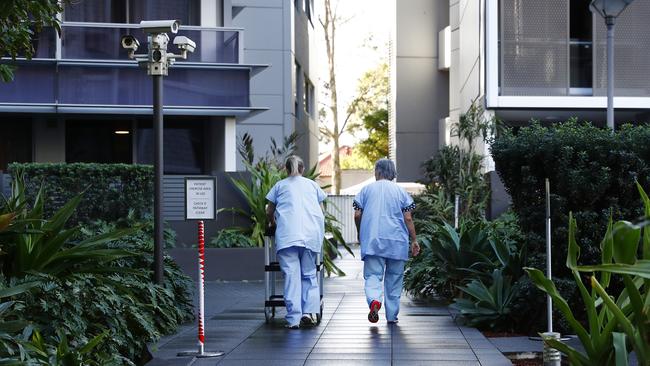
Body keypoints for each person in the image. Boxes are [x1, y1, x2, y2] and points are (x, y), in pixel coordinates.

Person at [353, 158, 420, 324]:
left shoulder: (366, 190)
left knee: (373, 276)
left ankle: (375, 300)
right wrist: (414, 240)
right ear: (392, 173)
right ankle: (391, 315)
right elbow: (408, 218)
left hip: (373, 240)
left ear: (377, 171)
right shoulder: (401, 192)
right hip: (397, 242)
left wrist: (360, 232)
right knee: (395, 279)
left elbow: (357, 214)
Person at [266, 155, 327, 329]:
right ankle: (308, 313)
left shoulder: (280, 186)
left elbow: (269, 211)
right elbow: (322, 211)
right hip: (310, 235)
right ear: (302, 169)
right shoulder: (312, 185)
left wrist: (272, 223)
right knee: (308, 274)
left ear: (286, 169)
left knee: (291, 276)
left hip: (287, 236)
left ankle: (293, 319)